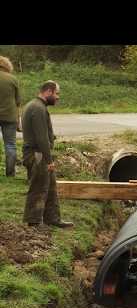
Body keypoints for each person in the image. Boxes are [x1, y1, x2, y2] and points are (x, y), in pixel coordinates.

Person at [22, 81, 74, 228]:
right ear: (49, 91)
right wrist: (49, 159)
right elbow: (41, 138)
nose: (58, 97)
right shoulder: (37, 108)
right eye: (57, 93)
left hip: (40, 154)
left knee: (50, 186)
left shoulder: (36, 106)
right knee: (38, 188)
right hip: (37, 155)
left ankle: (53, 219)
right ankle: (33, 222)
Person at [0, 56, 22, 177]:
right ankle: (10, 173)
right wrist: (19, 121)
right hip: (10, 116)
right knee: (10, 145)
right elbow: (18, 102)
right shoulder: (13, 79)